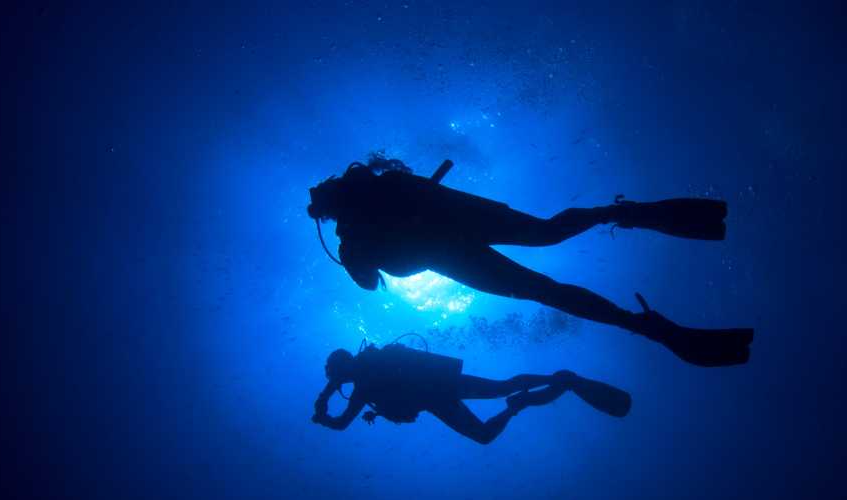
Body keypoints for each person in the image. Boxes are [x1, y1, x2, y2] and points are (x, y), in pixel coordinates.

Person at [306, 154, 754, 367]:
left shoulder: (353, 238)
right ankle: (620, 214)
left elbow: (371, 282)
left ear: (328, 211)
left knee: (545, 287)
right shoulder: (376, 191)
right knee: (546, 236)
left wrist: (353, 252)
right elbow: (415, 188)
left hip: (449, 251)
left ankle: (640, 323)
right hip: (459, 227)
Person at [310, 342, 631, 444]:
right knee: (500, 395)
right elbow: (342, 422)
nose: (340, 380)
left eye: (338, 375)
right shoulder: (363, 385)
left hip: (438, 391)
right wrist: (327, 398)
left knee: (490, 418)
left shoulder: (363, 385)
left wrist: (324, 405)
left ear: (343, 368)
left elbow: (340, 424)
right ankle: (536, 392)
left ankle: (535, 394)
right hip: (440, 392)